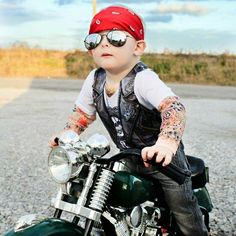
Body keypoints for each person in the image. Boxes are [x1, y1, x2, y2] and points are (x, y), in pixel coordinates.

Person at [50, 5, 208, 236]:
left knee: (182, 207)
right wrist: (67, 135)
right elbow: (82, 114)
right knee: (101, 194)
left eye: (115, 37)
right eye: (94, 39)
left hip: (164, 163)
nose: (104, 43)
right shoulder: (95, 79)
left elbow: (174, 107)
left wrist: (166, 143)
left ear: (138, 47)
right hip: (128, 158)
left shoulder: (143, 79)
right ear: (89, 49)